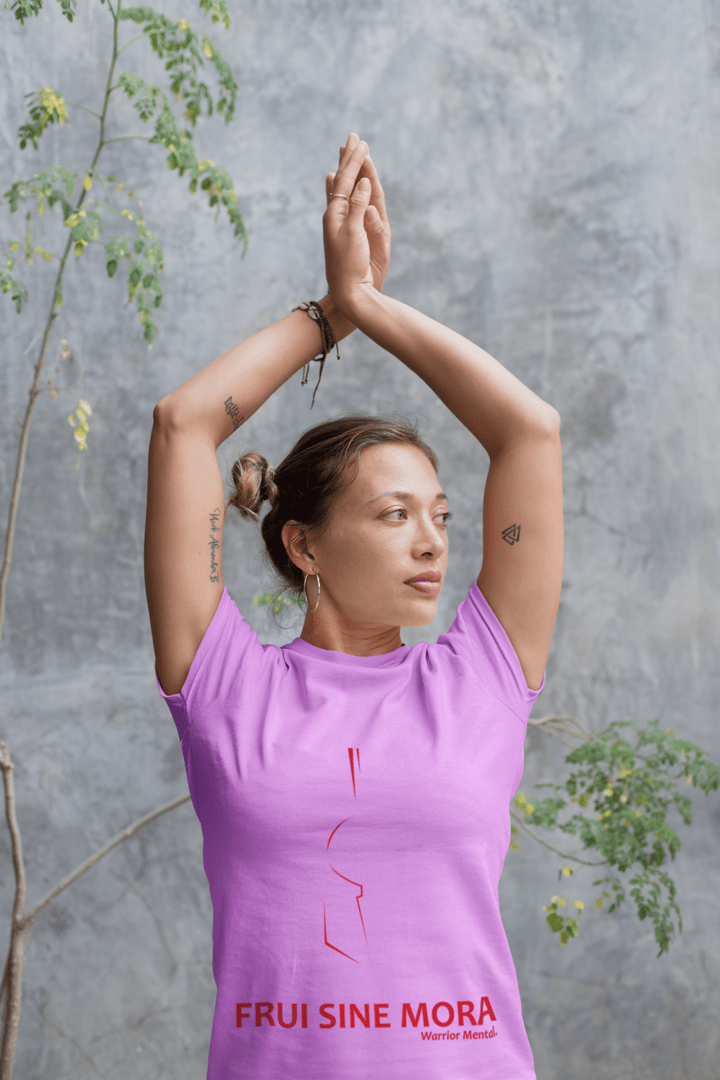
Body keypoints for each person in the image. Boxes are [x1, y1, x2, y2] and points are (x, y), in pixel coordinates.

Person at [144, 132, 564, 1080]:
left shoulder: (484, 678)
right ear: (304, 545)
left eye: (441, 517)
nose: (432, 541)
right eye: (393, 514)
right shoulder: (225, 687)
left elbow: (528, 433)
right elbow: (185, 422)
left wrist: (374, 305)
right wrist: (329, 315)